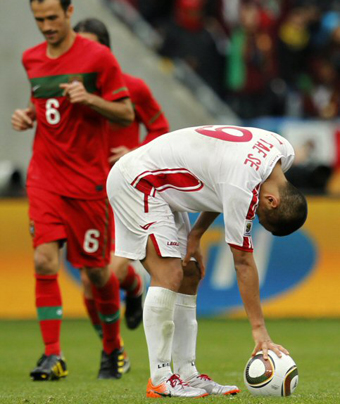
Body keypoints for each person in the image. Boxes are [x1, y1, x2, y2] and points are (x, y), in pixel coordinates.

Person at [106, 124, 308, 398]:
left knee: (190, 272)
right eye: (260, 215)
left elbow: (221, 183)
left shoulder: (282, 149)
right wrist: (260, 330)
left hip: (165, 187)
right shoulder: (243, 184)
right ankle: (161, 379)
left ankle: (187, 373)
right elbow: (243, 263)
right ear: (272, 201)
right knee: (168, 274)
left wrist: (196, 234)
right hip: (138, 181)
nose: (254, 217)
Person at [11, 0, 134, 381]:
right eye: (38, 20)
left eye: (52, 18)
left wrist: (91, 100)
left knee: (97, 273)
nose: (45, 26)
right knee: (44, 259)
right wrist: (30, 114)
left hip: (87, 182)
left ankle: (113, 349)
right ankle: (53, 355)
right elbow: (44, 101)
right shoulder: (31, 59)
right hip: (44, 175)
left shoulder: (97, 57)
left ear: (68, 12)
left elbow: (126, 113)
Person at [73, 18, 170, 333]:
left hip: (123, 191)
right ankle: (114, 336)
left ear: (105, 49)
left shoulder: (133, 88)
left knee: (107, 272)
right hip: (85, 188)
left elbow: (160, 129)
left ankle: (115, 340)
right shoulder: (71, 93)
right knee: (90, 279)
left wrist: (134, 152)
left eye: (88, 45)